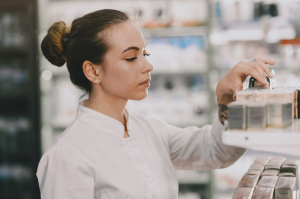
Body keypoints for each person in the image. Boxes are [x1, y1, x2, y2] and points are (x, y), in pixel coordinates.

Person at [36, 9, 275, 199]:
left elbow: (217, 151)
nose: (147, 66)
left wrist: (225, 97)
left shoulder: (150, 131)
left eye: (145, 54)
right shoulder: (68, 157)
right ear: (92, 71)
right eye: (131, 57)